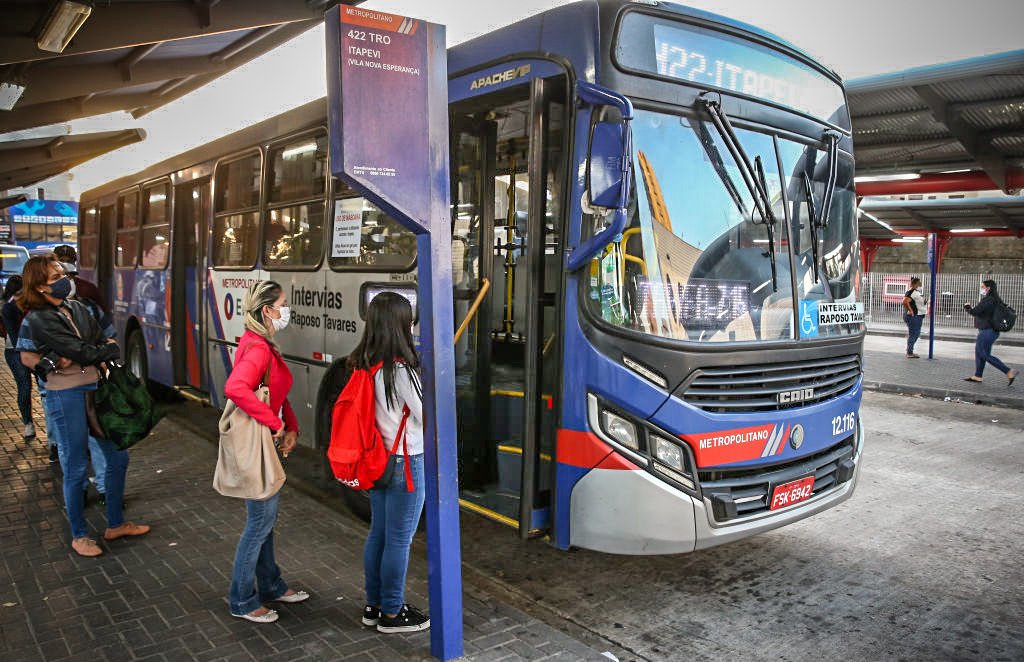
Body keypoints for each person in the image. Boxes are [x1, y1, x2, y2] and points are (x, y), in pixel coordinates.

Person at [16, 255, 149, 557]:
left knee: (118, 458)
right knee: (75, 466)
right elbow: (37, 355)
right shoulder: (36, 319)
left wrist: (88, 353)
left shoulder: (78, 308)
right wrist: (84, 354)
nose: (65, 279)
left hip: (96, 389)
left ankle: (115, 524)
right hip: (66, 395)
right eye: (56, 277)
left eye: (64, 273)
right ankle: (79, 535)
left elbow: (106, 342)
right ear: (38, 286)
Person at [223, 280, 308, 623]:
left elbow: (273, 390)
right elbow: (236, 388)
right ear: (268, 310)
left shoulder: (261, 343)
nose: (287, 311)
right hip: (256, 443)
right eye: (283, 305)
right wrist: (275, 424)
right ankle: (241, 599)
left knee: (265, 520)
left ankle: (271, 583)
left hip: (264, 440)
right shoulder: (258, 348)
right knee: (260, 521)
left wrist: (291, 425)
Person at [352, 292, 430, 634]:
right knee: (399, 540)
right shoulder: (401, 372)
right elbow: (428, 417)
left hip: (379, 461)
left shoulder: (366, 365)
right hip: (406, 464)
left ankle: (374, 605)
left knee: (379, 535)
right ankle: (393, 612)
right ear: (400, 326)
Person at [963, 279, 1018, 386]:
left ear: (988, 288)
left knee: (983, 354)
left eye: (982, 287)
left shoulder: (988, 300)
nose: (981, 289)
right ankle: (978, 376)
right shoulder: (995, 300)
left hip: (987, 331)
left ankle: (1008, 371)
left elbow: (975, 311)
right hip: (989, 331)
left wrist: (967, 307)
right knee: (980, 353)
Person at [1, 276, 36, 439]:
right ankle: (28, 423)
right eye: (19, 293)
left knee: (45, 385)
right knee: (24, 385)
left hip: (35, 349)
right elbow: (13, 336)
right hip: (14, 351)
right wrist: (25, 352)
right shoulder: (7, 308)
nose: (21, 296)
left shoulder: (33, 304)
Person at [53, 245, 109, 315]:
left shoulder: (88, 288)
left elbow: (103, 315)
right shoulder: (46, 288)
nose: (65, 264)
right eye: (61, 260)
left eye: (69, 261)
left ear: (74, 262)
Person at [902, 277, 927, 358]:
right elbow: (905, 302)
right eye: (919, 283)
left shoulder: (916, 292)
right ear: (914, 284)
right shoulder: (911, 292)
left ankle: (910, 351)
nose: (920, 285)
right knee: (914, 334)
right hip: (914, 316)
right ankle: (909, 352)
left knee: (915, 334)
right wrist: (911, 311)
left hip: (918, 316)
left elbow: (918, 302)